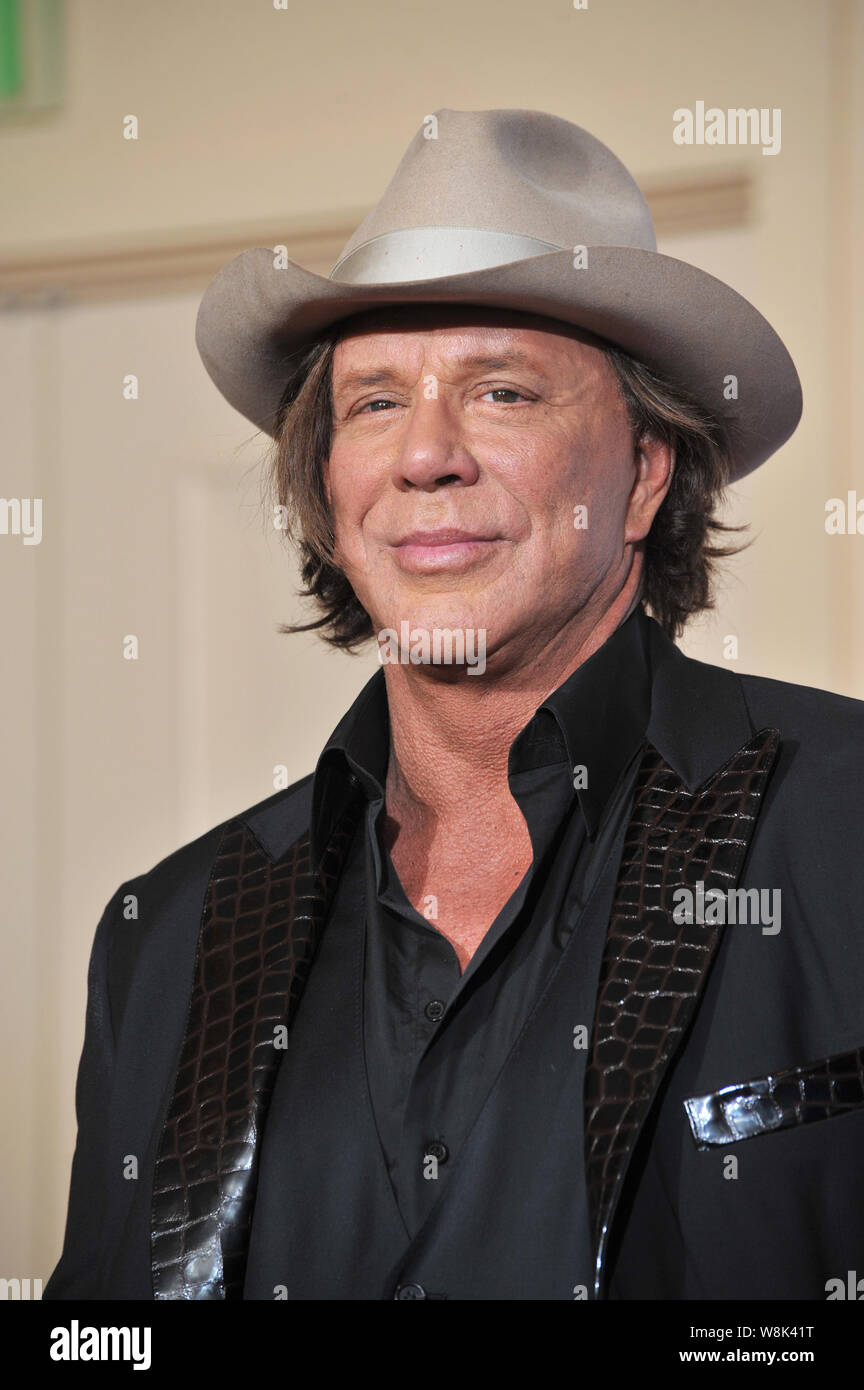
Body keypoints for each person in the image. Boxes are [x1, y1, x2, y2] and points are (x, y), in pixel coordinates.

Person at [46, 108, 864, 1302]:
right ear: (326, 492)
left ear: (643, 473)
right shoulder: (160, 942)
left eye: (502, 392)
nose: (426, 455)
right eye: (375, 402)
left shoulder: (844, 824)